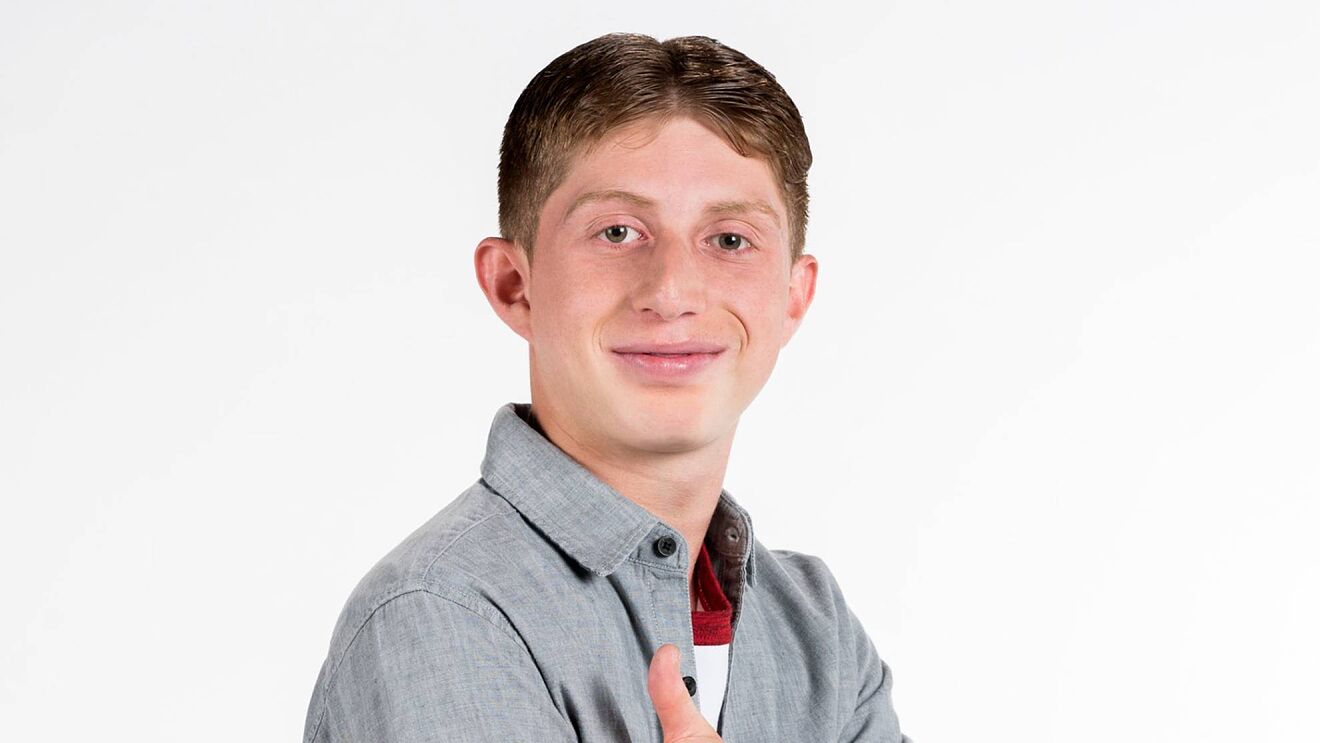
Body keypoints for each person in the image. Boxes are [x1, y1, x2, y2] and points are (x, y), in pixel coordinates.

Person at [302, 32, 909, 742]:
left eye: (730, 239)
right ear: (515, 285)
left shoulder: (818, 636)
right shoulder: (443, 615)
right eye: (618, 232)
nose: (673, 292)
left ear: (793, 296)